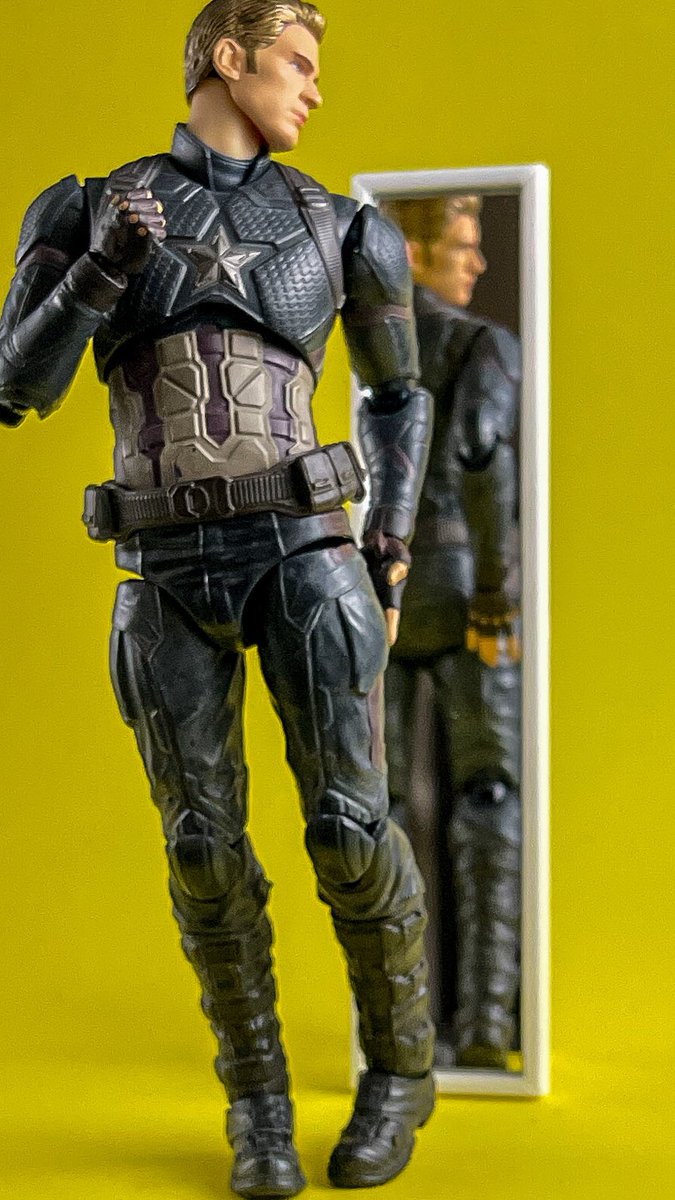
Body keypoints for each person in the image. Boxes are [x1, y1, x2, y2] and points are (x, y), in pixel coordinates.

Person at [0, 3, 436, 1194]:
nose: (314, 89)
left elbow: (399, 395)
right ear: (226, 59)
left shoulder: (343, 226)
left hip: (305, 553)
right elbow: (14, 386)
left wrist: (391, 546)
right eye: (298, 62)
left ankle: (403, 1070)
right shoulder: (88, 207)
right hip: (162, 567)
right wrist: (99, 272)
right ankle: (259, 1107)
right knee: (201, 852)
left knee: (349, 830)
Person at [380, 193, 522, 1070]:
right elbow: (478, 450)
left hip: (384, 587)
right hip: (468, 581)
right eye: (460, 246)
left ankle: (399, 1027)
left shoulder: (368, 349)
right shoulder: (481, 346)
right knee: (487, 793)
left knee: (388, 806)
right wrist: (498, 586)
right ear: (414, 250)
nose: (476, 263)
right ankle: (486, 1023)